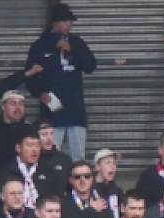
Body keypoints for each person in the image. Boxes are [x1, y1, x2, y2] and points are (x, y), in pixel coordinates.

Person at [23, 6, 97, 162]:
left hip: (75, 111)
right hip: (52, 112)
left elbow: (90, 66)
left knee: (78, 157)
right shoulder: (40, 45)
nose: (69, 24)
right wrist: (40, 93)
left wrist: (72, 50)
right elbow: (30, 75)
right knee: (49, 155)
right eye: (65, 21)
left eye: (70, 21)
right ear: (55, 22)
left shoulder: (76, 42)